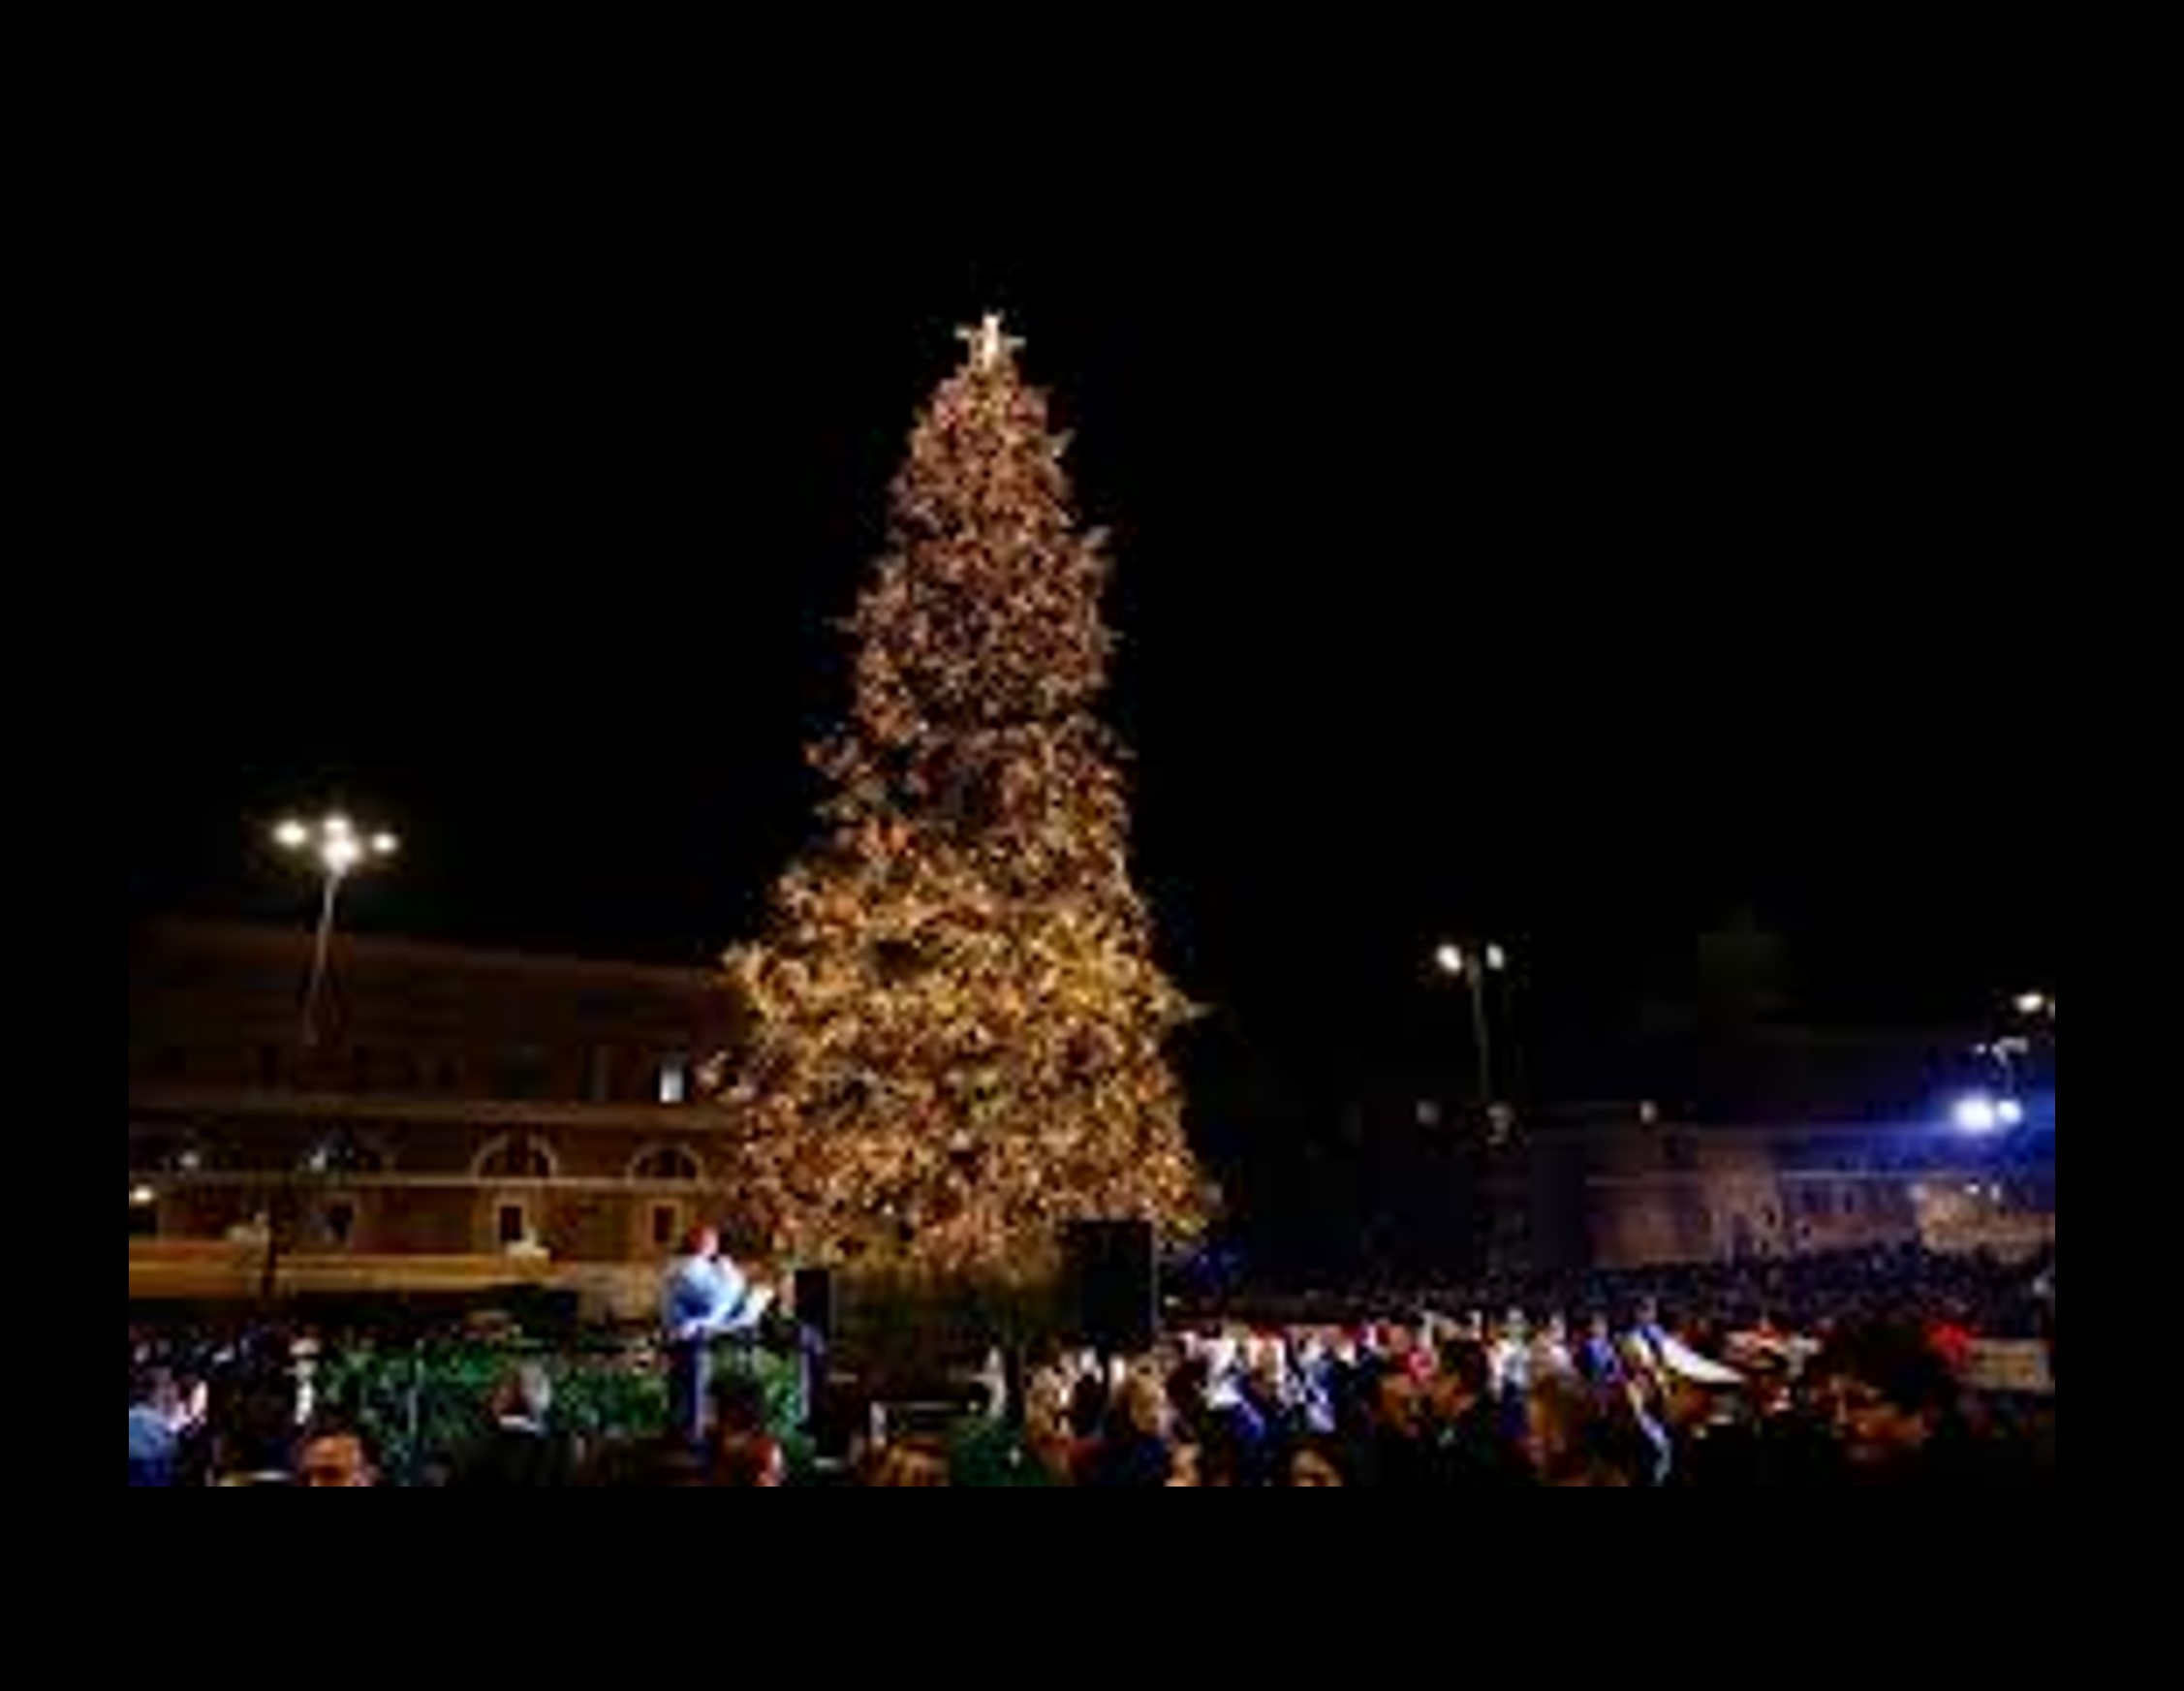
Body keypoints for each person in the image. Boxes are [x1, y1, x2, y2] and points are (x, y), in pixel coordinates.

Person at [661, 1225, 769, 1447]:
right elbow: (714, 1301)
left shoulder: (696, 1267)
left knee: (688, 1395)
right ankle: (690, 1441)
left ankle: (690, 1437)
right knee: (690, 1397)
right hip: (690, 1340)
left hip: (697, 1339)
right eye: (711, 1240)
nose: (715, 1245)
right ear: (697, 1242)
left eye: (715, 1240)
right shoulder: (687, 1267)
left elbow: (723, 1299)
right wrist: (729, 1273)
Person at [449, 1362, 578, 1487]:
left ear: (506, 1399)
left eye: (500, 1388)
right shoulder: (565, 1449)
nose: (491, 1395)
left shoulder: (475, 1453)